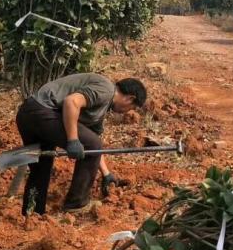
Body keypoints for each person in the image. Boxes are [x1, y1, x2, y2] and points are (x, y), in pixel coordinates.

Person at [15, 73, 147, 215]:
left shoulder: (101, 107)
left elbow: (94, 143)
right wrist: (73, 140)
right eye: (131, 107)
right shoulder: (107, 90)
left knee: (41, 166)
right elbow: (71, 102)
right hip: (43, 112)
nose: (126, 112)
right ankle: (76, 204)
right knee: (91, 143)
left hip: (28, 113)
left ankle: (32, 214)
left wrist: (106, 174)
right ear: (130, 98)